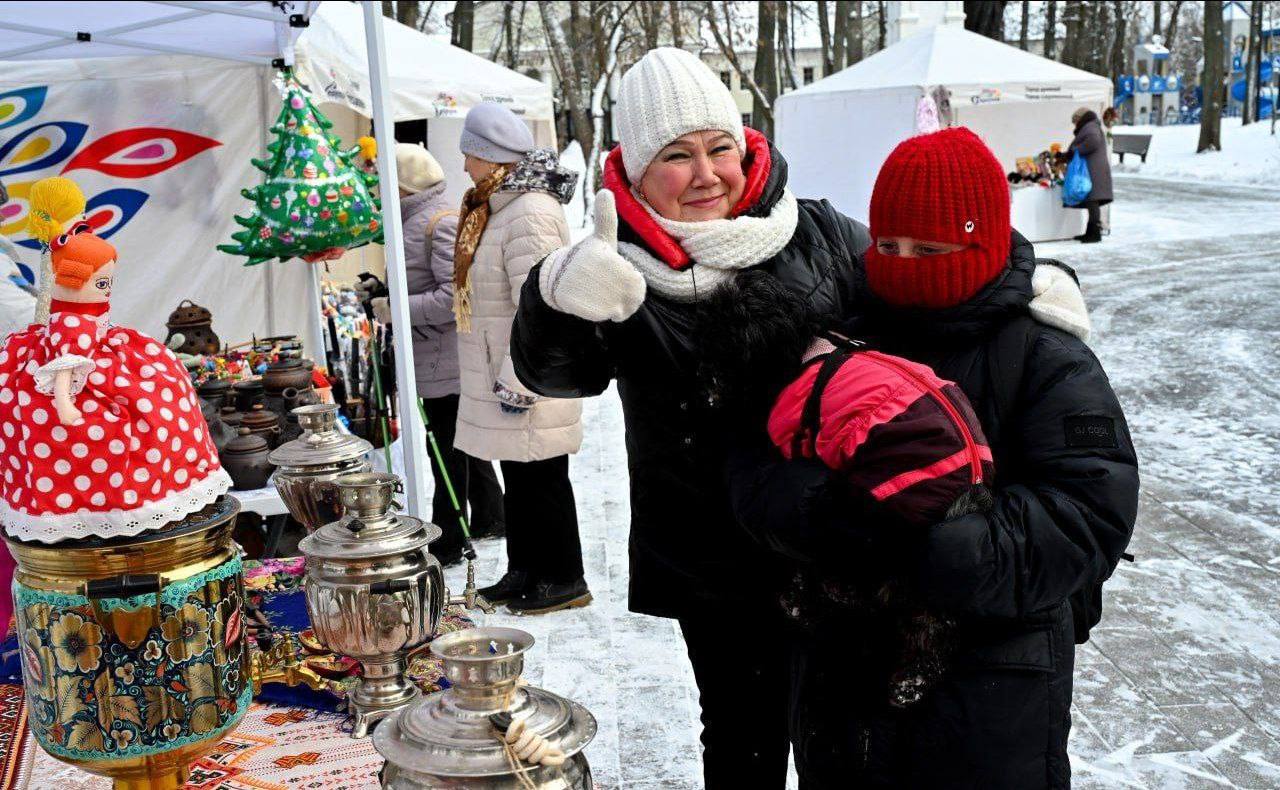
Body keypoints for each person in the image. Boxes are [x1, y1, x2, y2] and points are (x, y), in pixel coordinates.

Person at [510, 48, 1091, 787]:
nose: (706, 174)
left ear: (746, 144)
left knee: (842, 734)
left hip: (835, 541)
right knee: (739, 736)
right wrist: (556, 298)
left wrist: (1031, 283)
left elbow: (924, 276)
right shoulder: (615, 264)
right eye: (677, 157)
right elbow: (556, 375)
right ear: (633, 169)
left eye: (719, 147)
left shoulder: (815, 232)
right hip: (712, 554)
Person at [727, 128, 1139, 788]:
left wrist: (947, 545)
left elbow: (1088, 510)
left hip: (989, 697)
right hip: (845, 694)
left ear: (979, 244)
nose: (905, 262)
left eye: (931, 249)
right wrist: (822, 512)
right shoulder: (835, 335)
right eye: (889, 245)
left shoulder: (1044, 357)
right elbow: (753, 461)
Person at [453, 103, 590, 614]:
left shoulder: (530, 211)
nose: (465, 166)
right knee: (522, 478)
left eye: (470, 155)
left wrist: (521, 378)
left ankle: (563, 577)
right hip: (502, 369)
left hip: (525, 374)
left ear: (491, 158)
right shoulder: (501, 206)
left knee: (544, 480)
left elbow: (544, 309)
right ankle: (526, 570)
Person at [368, 142, 505, 565]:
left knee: (445, 447)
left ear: (404, 185)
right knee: (457, 442)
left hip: (444, 354)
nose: (376, 191)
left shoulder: (437, 221)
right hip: (429, 350)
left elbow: (454, 296)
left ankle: (449, 538)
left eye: (382, 182)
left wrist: (396, 309)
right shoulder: (409, 221)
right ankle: (491, 514)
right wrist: (382, 293)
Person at [1067, 107, 1113, 244]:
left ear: (1080, 119)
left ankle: (1094, 234)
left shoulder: (1090, 127)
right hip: (1092, 169)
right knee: (1091, 201)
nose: (1075, 125)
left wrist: (1075, 150)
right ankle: (1090, 232)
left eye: (1075, 122)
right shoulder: (1091, 126)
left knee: (1093, 201)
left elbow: (1093, 141)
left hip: (1093, 170)